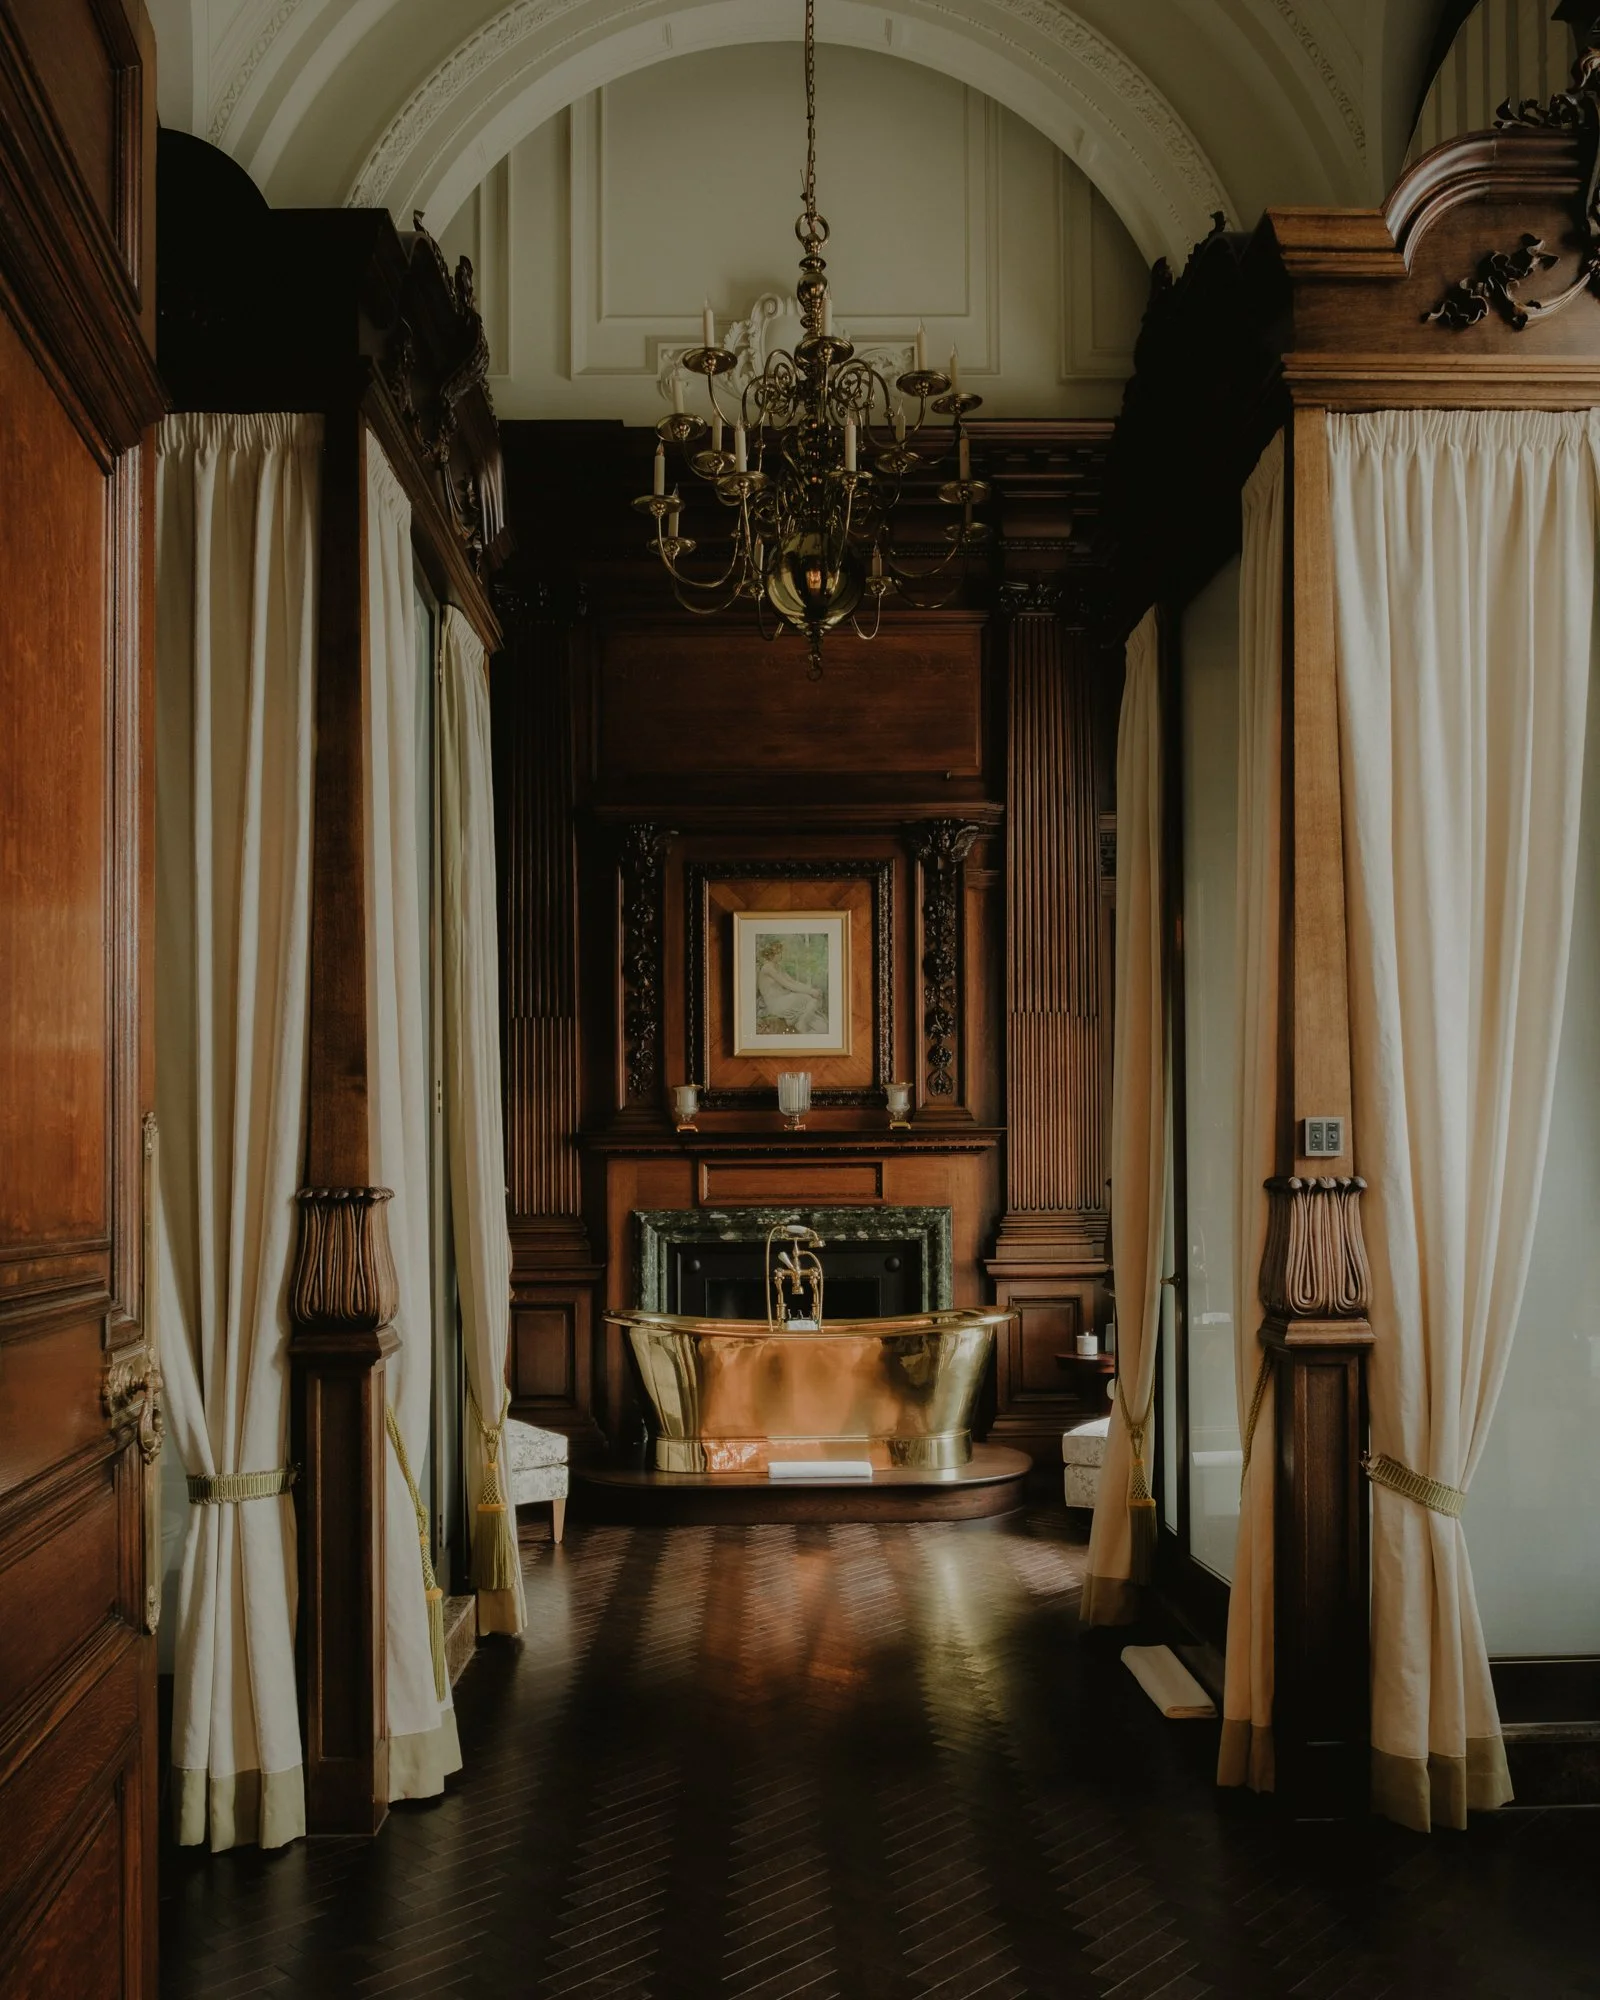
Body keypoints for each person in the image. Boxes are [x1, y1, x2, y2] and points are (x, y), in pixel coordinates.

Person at [755, 935, 827, 1034]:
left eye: (780, 952)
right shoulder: (767, 968)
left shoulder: (778, 967)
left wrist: (810, 989)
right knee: (810, 999)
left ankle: (802, 1021)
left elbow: (793, 982)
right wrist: (810, 991)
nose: (781, 955)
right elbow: (787, 985)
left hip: (784, 999)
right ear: (771, 954)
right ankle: (801, 1022)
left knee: (814, 998)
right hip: (775, 1004)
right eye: (778, 953)